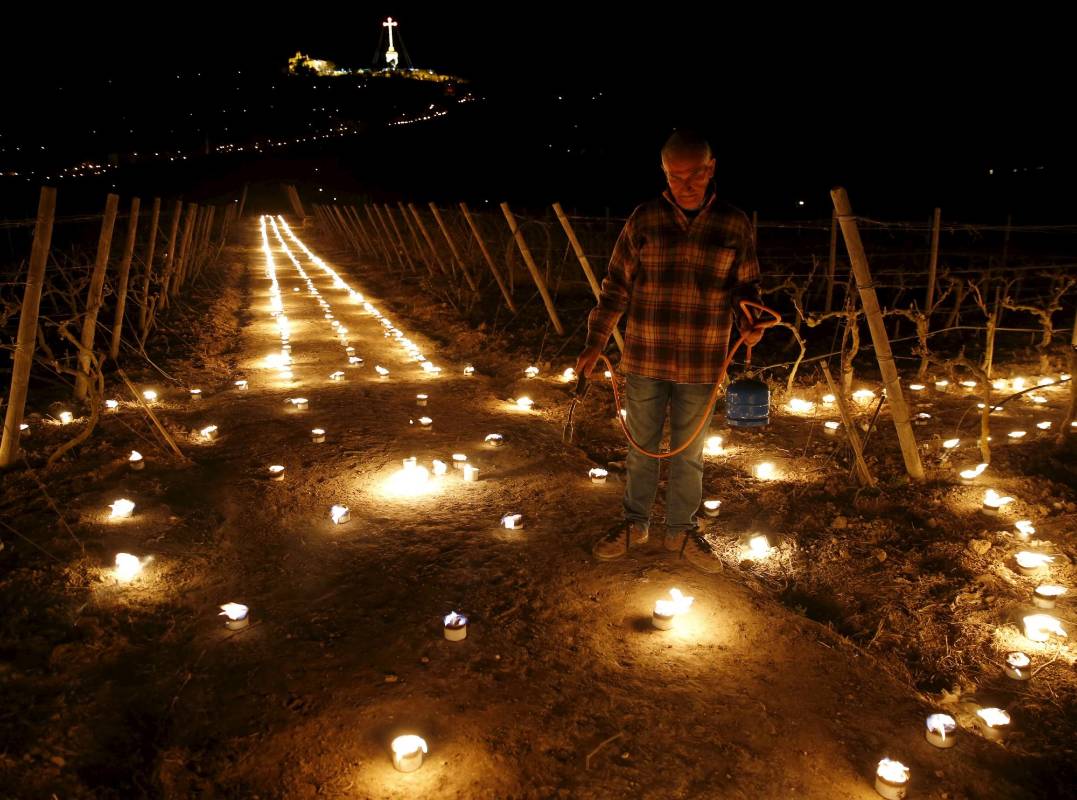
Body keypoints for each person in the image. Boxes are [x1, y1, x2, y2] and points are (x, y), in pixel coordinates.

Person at [575, 129, 764, 573]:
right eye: (675, 176)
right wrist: (595, 342)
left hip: (703, 360)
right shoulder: (644, 220)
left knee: (689, 452)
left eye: (694, 174)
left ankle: (682, 530)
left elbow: (746, 288)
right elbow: (615, 288)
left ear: (711, 167)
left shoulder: (734, 224)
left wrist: (750, 322)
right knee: (641, 446)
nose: (686, 184)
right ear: (664, 173)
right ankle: (633, 522)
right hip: (645, 357)